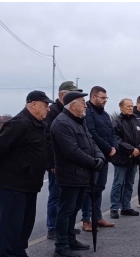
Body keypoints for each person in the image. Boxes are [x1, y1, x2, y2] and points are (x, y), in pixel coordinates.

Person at [0, 90, 51, 257]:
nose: (48, 109)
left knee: (24, 222)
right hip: (11, 183)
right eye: (45, 106)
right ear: (33, 104)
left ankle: (19, 251)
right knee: (10, 223)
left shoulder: (38, 124)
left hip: (29, 183)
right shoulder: (19, 124)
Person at [49, 90, 102, 257]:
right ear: (73, 105)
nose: (85, 105)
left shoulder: (79, 121)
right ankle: (61, 245)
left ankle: (70, 239)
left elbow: (91, 142)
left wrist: (100, 157)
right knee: (66, 210)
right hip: (70, 175)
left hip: (81, 175)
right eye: (82, 102)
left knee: (74, 209)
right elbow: (72, 151)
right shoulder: (62, 123)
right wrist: (93, 162)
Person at [44, 81, 84, 239]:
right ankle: (53, 227)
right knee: (55, 195)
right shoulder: (53, 111)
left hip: (70, 165)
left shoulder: (71, 113)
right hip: (57, 163)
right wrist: (52, 162)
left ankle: (66, 227)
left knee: (68, 199)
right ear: (62, 95)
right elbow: (48, 139)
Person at [107, 98, 140, 221]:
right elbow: (116, 139)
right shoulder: (117, 122)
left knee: (129, 183)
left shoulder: (137, 121)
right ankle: (114, 208)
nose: (130, 108)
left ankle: (126, 206)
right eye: (127, 106)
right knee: (118, 183)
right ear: (121, 107)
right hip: (121, 158)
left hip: (134, 158)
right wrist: (131, 149)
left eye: (131, 106)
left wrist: (138, 149)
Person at [83, 86, 117, 230]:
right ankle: (86, 219)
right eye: (103, 98)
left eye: (106, 98)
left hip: (105, 158)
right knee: (90, 189)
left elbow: (111, 132)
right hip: (94, 157)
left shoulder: (105, 115)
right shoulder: (88, 112)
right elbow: (92, 133)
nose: (105, 101)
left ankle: (97, 217)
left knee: (100, 188)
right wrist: (108, 148)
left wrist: (114, 147)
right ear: (93, 97)